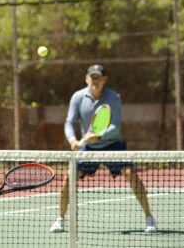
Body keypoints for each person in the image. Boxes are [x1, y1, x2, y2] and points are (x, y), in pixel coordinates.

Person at [50, 64, 158, 233]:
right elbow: (69, 122)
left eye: (98, 77)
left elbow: (115, 125)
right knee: (69, 178)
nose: (95, 80)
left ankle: (149, 218)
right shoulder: (77, 97)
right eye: (92, 77)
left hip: (113, 145)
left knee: (131, 175)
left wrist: (99, 135)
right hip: (88, 148)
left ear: (104, 79)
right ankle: (60, 219)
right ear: (86, 79)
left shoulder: (114, 97)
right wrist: (72, 140)